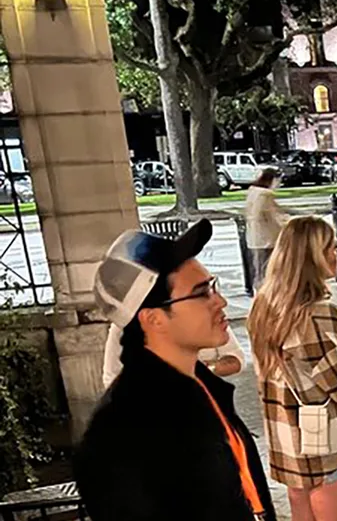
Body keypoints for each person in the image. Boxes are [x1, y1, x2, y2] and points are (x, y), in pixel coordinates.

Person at [74, 219, 277, 521]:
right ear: (153, 319)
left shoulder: (202, 385)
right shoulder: (122, 432)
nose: (220, 301)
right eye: (201, 293)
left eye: (212, 287)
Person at [248, 216, 337, 521]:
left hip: (290, 445)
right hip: (330, 447)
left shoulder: (265, 308)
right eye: (330, 248)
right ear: (311, 258)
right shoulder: (320, 316)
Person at [102, 322, 245, 388]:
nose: (220, 301)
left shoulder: (208, 315)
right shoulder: (124, 327)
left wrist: (204, 370)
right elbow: (111, 379)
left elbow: (236, 359)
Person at [246, 168, 287, 291]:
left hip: (255, 238)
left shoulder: (253, 192)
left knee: (259, 270)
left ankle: (260, 296)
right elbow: (273, 216)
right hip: (268, 239)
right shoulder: (265, 195)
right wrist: (287, 224)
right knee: (269, 271)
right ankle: (267, 298)